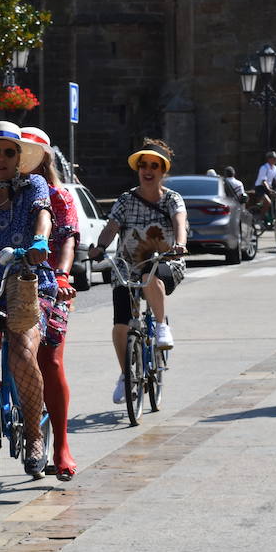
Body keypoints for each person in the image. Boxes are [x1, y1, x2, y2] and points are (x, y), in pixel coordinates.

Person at [0, 121, 54, 478]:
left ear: (19, 157)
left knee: (21, 351)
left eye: (9, 151)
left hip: (25, 282)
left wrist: (40, 242)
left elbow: (42, 215)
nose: (1, 158)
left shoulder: (33, 184)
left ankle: (34, 437)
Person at [86, 140, 187, 404]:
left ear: (163, 171)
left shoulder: (172, 199)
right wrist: (100, 247)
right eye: (144, 165)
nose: (148, 170)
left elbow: (180, 222)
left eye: (155, 166)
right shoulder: (126, 199)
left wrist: (180, 244)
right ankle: (126, 375)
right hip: (127, 266)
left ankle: (162, 326)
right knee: (121, 325)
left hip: (165, 261)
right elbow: (111, 227)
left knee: (148, 277)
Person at [22, 126, 78, 481]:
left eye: (30, 151)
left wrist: (61, 275)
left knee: (50, 360)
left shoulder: (60, 196)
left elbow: (68, 241)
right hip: (4, 283)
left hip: (49, 286)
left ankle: (60, 444)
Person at [251, 151, 276, 221]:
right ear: (269, 159)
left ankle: (271, 219)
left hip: (269, 188)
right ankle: (260, 218)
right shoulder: (264, 168)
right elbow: (263, 181)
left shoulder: (275, 168)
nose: (275, 160)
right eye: (274, 158)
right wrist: (269, 190)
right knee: (268, 202)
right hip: (260, 188)